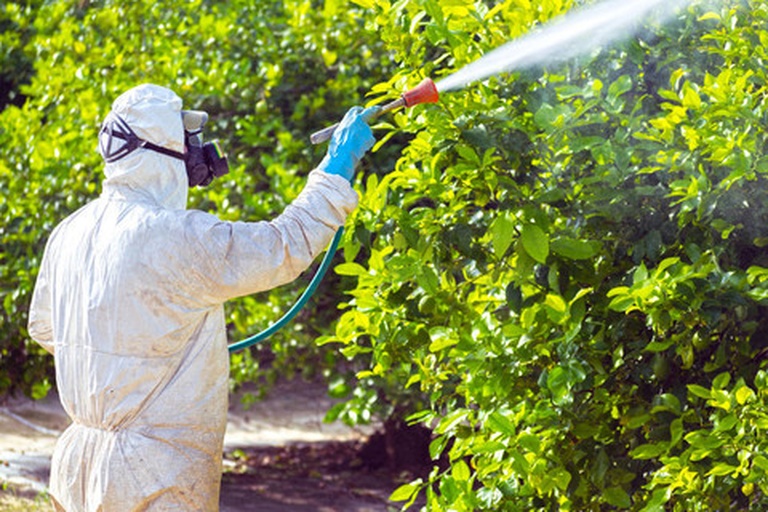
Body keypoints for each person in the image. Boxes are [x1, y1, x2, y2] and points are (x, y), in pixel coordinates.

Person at [27, 83, 378, 511]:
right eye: (186, 139)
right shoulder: (175, 235)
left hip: (78, 467)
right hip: (155, 474)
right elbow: (283, 246)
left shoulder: (70, 231)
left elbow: (45, 328)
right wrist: (336, 168)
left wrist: (135, 349)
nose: (197, 152)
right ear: (161, 149)